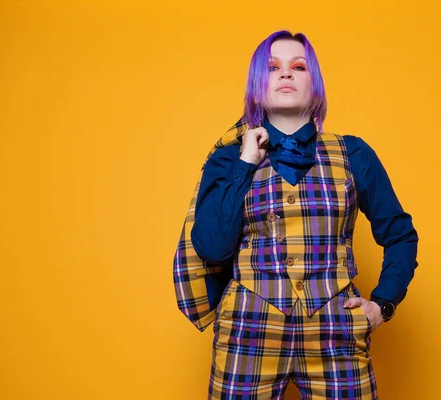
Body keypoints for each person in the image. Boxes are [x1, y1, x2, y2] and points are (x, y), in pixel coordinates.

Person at [174, 30, 419, 400]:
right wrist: (245, 163)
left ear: (315, 84)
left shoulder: (353, 154)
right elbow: (211, 248)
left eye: (298, 66)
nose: (286, 74)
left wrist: (382, 304)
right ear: (258, 86)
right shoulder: (227, 159)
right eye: (273, 67)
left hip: (337, 334)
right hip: (247, 332)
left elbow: (399, 233)